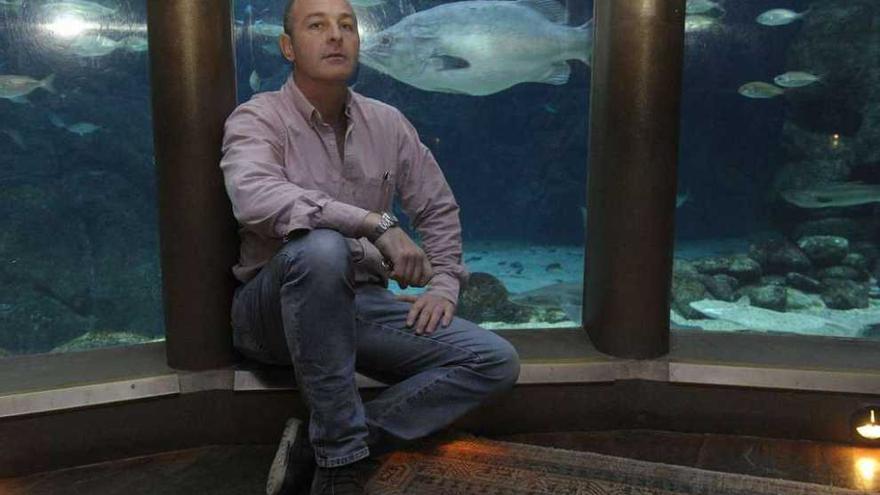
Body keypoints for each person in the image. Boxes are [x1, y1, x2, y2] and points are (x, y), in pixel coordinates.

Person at [219, 0, 522, 493]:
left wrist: (444, 284)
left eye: (347, 26)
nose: (336, 36)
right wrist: (373, 224)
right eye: (317, 26)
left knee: (493, 361)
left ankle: (332, 441)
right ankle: (340, 466)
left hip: (359, 304)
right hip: (272, 315)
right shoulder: (258, 118)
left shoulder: (389, 122)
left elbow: (438, 210)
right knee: (321, 249)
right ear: (288, 48)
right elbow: (254, 197)